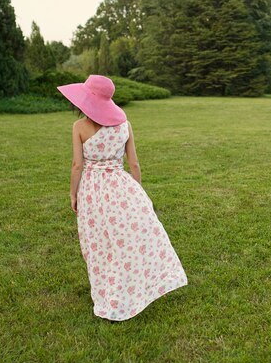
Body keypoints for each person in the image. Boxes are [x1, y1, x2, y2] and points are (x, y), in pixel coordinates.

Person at [57, 75, 188, 322]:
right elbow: (134, 163)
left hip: (93, 190)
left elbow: (77, 165)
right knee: (124, 238)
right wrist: (137, 193)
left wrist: (73, 193)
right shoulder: (125, 125)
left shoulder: (79, 128)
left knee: (99, 242)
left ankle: (109, 292)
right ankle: (131, 286)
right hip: (121, 185)